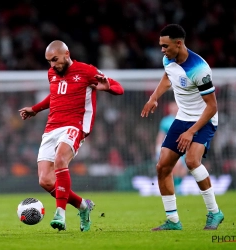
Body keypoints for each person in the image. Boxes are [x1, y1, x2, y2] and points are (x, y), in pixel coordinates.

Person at [19, 40, 124, 232]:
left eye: (55, 60)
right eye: (49, 61)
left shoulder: (87, 71)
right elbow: (55, 95)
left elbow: (119, 87)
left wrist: (108, 87)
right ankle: (83, 206)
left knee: (60, 159)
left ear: (67, 54)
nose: (52, 65)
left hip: (76, 125)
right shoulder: (52, 73)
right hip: (52, 127)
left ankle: (60, 213)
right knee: (45, 180)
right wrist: (35, 109)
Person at [141, 24, 224, 231]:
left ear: (179, 43)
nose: (162, 50)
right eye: (161, 46)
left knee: (192, 161)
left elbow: (212, 107)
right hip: (183, 118)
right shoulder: (168, 59)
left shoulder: (200, 69)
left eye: (165, 46)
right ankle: (173, 221)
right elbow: (168, 77)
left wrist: (191, 131)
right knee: (162, 167)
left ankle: (214, 212)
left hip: (204, 119)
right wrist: (154, 98)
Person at [155, 101, 187, 194]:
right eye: (172, 107)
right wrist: (158, 149)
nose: (174, 108)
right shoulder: (165, 121)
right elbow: (161, 135)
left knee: (183, 171)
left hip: (184, 147)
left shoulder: (184, 119)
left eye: (175, 107)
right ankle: (176, 189)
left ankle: (178, 187)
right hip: (171, 148)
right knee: (176, 166)